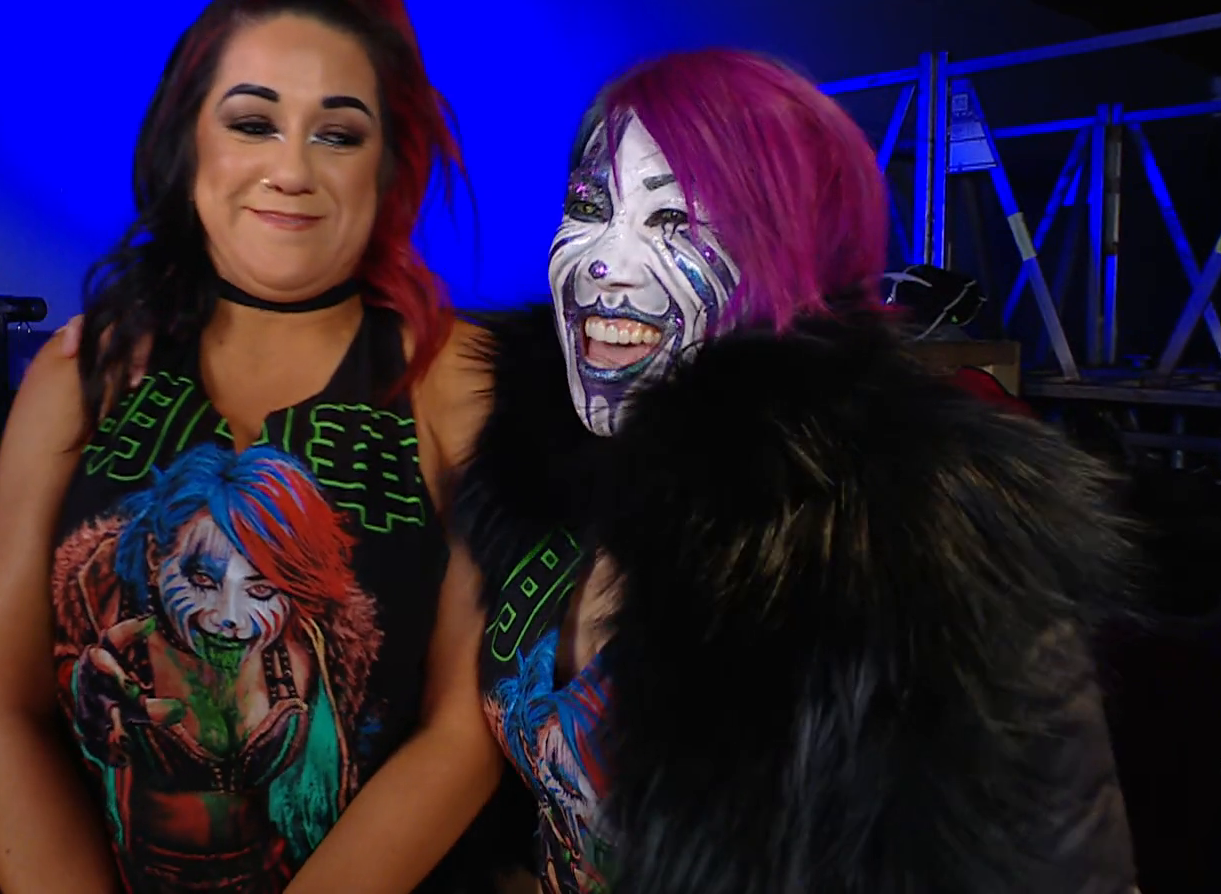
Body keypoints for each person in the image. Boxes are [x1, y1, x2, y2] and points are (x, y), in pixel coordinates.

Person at [455, 48, 1141, 892]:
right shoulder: (544, 480)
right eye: (590, 207)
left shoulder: (921, 549)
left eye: (674, 221)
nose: (604, 260)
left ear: (792, 263)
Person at [0, 0, 503, 894]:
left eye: (339, 135)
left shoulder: (449, 378)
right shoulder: (83, 371)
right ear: (187, 143)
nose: (291, 169)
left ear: (387, 166)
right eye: (253, 122)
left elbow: (463, 734)